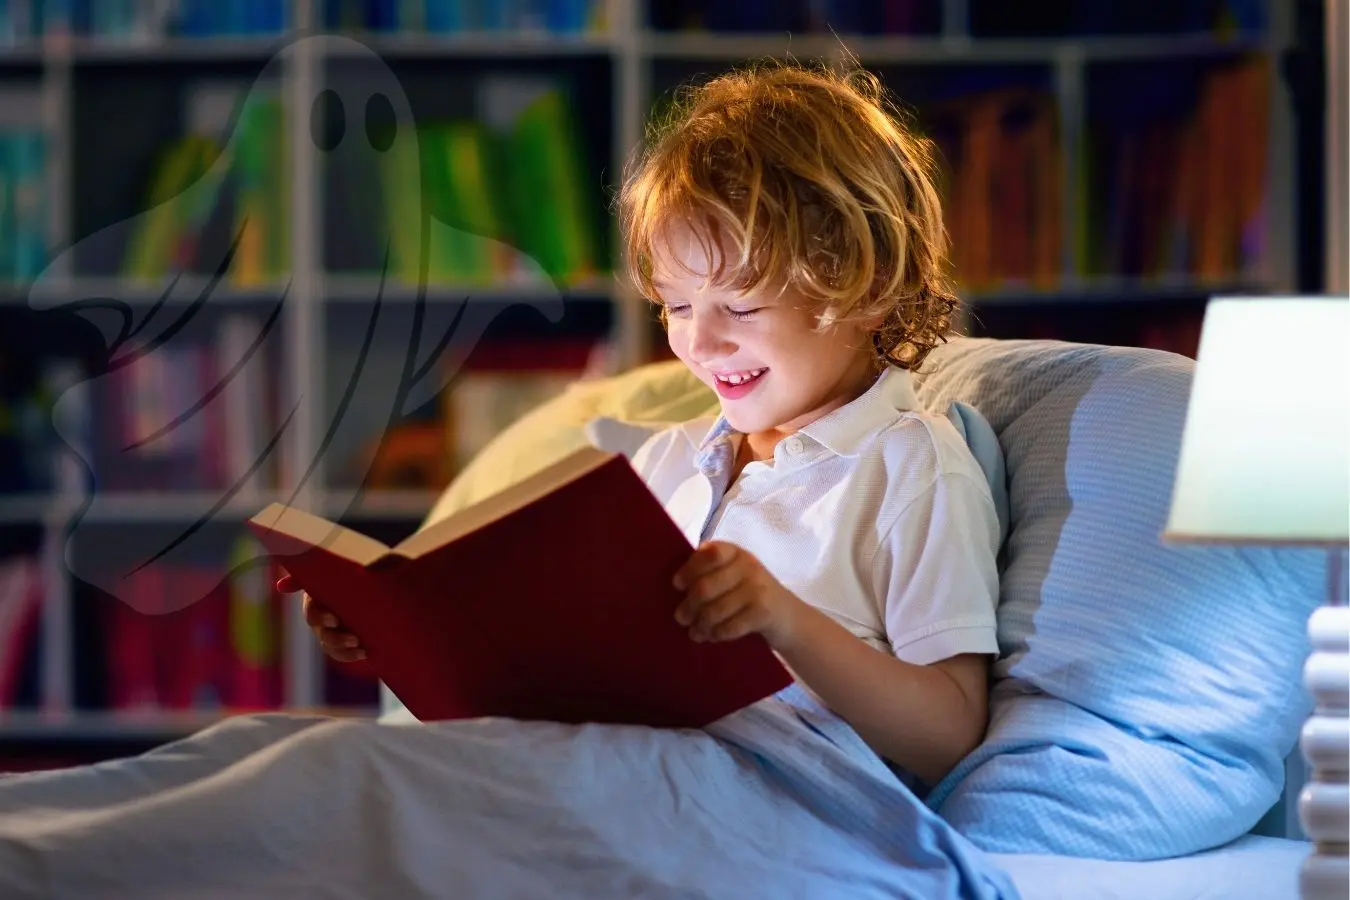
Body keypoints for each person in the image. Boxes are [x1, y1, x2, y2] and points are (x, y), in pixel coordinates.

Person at [285, 59, 1001, 791]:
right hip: (606, 775)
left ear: (869, 290)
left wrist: (786, 622)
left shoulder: (910, 467)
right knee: (288, 758)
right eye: (677, 306)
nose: (700, 343)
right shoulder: (669, 460)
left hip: (759, 804)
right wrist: (395, 634)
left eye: (741, 306)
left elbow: (949, 733)